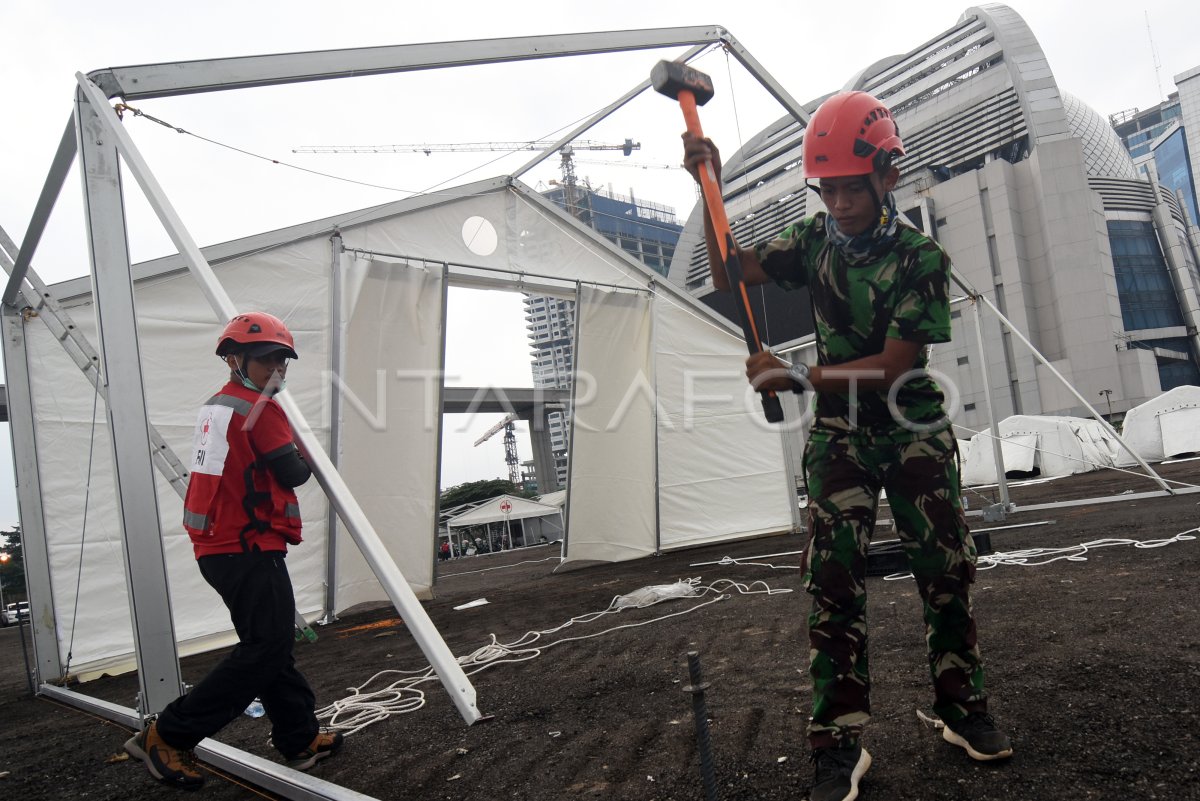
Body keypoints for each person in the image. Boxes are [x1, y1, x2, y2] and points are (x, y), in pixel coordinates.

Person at [683, 91, 1011, 801]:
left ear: (886, 176)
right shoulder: (813, 243)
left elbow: (895, 364)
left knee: (945, 568)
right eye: (826, 189)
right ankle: (838, 744)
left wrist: (796, 372)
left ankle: (964, 708)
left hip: (912, 424)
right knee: (832, 582)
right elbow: (730, 271)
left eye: (850, 189)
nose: (837, 203)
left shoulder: (921, 257)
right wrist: (703, 187)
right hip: (840, 435)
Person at [125, 312, 343, 790]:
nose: (277, 370)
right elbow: (292, 473)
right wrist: (308, 449)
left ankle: (299, 738)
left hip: (222, 545)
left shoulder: (218, 405)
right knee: (266, 647)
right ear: (234, 358)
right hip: (246, 544)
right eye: (267, 360)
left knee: (273, 646)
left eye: (283, 361)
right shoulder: (258, 407)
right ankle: (168, 734)